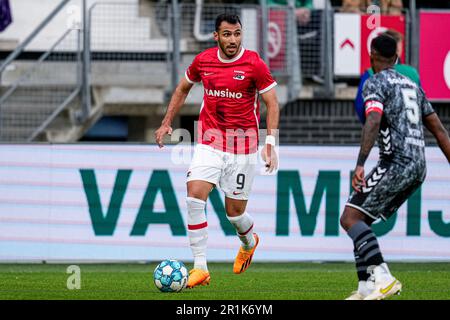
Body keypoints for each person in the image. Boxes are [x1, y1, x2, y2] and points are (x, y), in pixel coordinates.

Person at [155, 13, 280, 289]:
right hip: (210, 142)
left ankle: (249, 241)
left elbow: (272, 102)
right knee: (194, 196)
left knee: (234, 214)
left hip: (244, 147)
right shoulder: (204, 61)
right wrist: (166, 123)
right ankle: (200, 267)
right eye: (227, 34)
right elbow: (182, 88)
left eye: (237, 34)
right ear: (216, 36)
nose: (233, 40)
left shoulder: (254, 64)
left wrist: (270, 144)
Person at [340, 34, 450, 300]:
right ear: (397, 58)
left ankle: (384, 276)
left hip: (395, 161)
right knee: (361, 217)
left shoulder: (374, 82)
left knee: (350, 218)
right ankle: (366, 287)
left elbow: (374, 119)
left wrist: (360, 164)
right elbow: (439, 131)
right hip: (418, 166)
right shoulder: (412, 85)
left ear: (371, 56)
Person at [354, 29, 420, 124]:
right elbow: (422, 105)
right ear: (397, 49)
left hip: (382, 132)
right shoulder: (412, 73)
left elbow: (360, 105)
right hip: (412, 131)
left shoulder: (370, 72)